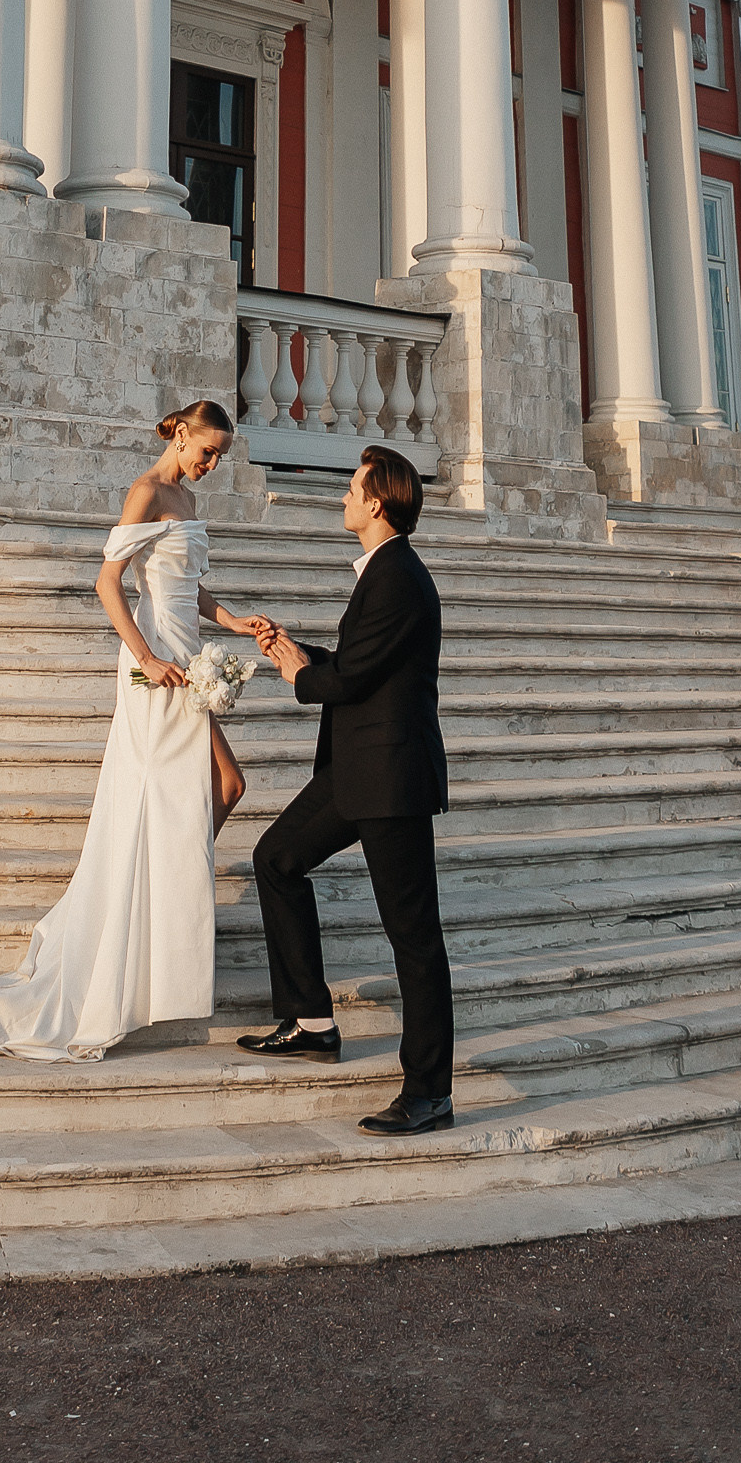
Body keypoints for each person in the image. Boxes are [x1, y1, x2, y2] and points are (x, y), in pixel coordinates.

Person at [0, 400, 269, 1061]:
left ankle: (159, 902)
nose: (212, 464)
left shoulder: (185, 499)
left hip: (187, 662)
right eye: (207, 452)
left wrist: (235, 621)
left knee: (228, 785)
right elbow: (108, 584)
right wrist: (147, 659)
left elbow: (187, 588)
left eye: (219, 457)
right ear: (181, 435)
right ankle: (130, 933)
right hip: (155, 670)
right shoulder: (146, 492)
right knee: (210, 787)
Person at [238, 445, 454, 1134]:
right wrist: (303, 655)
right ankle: (310, 1022)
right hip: (356, 770)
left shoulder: (398, 576)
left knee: (413, 938)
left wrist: (300, 676)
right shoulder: (383, 571)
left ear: (376, 503)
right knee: (277, 859)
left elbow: (354, 679)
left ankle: (430, 1093)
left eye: (352, 489)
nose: (343, 498)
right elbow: (364, 664)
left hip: (391, 779)